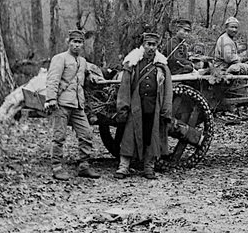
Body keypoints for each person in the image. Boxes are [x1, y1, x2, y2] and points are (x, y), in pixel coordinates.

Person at [114, 32, 174, 180]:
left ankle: (149, 167)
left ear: (157, 46)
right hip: (136, 106)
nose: (151, 48)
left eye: (154, 45)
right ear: (143, 45)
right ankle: (123, 167)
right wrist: (123, 107)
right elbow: (125, 87)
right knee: (129, 136)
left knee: (151, 137)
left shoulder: (162, 67)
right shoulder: (132, 63)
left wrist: (166, 110)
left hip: (154, 108)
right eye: (149, 44)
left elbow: (167, 90)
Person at [44, 29, 101, 181]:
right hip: (61, 103)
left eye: (79, 42)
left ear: (83, 44)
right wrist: (51, 99)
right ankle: (57, 167)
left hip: (78, 104)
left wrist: (94, 77)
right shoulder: (60, 58)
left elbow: (87, 74)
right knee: (59, 136)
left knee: (86, 133)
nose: (76, 45)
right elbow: (53, 79)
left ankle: (84, 166)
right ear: (68, 42)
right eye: (74, 42)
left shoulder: (82, 62)